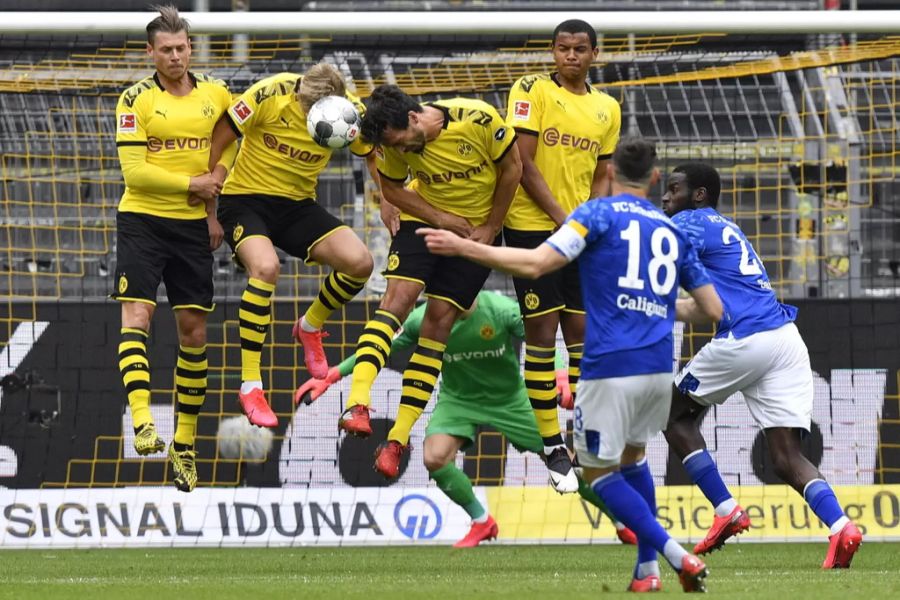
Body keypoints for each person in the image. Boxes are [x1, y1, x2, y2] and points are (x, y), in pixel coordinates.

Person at [418, 137, 723, 592]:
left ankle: (675, 555)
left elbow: (538, 263)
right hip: (660, 368)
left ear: (609, 175)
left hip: (610, 366)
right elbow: (711, 311)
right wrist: (655, 304)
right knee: (634, 461)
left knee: (598, 474)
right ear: (655, 178)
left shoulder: (596, 214)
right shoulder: (671, 230)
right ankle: (647, 571)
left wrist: (466, 250)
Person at [294, 291, 637, 548]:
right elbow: (379, 349)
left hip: (512, 401)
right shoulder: (423, 319)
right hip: (457, 400)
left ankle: (622, 523)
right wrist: (331, 376)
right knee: (433, 457)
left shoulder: (499, 309)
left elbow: (543, 339)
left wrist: (562, 373)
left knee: (568, 466)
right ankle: (481, 520)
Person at [660, 162, 863, 568]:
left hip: (747, 338)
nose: (666, 197)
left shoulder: (690, 222)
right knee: (787, 457)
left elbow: (649, 247)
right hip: (784, 339)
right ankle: (842, 526)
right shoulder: (726, 229)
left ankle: (725, 510)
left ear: (698, 194)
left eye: (674, 188)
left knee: (674, 418)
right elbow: (704, 305)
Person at [340, 85, 522, 464]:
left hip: (474, 234)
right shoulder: (393, 143)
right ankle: (357, 404)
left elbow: (513, 169)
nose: (401, 152)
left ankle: (397, 439)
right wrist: (440, 218)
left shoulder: (479, 119)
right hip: (422, 224)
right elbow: (391, 186)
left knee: (437, 325)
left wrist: (491, 227)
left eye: (402, 143)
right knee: (396, 303)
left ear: (413, 117)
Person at [205, 63, 376, 428]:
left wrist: (389, 202)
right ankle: (251, 385)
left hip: (297, 206)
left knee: (360, 262)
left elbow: (372, 154)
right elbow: (221, 133)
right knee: (266, 268)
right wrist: (209, 207)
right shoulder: (269, 93)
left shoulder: (349, 113)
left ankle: (310, 326)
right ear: (300, 92)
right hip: (245, 201)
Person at [112, 5, 234, 493]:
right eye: (166, 50)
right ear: (150, 53)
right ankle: (142, 420)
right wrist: (195, 182)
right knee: (137, 317)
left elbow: (231, 142)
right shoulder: (133, 100)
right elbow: (135, 173)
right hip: (141, 220)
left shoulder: (215, 93)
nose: (176, 56)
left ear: (191, 46)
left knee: (194, 333)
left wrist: (215, 187)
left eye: (182, 47)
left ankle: (184, 445)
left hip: (191, 229)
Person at [503, 18, 621, 493]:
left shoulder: (606, 107)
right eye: (563, 48)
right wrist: (563, 220)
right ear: (553, 51)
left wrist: (593, 220)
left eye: (580, 49)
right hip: (532, 227)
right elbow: (522, 162)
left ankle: (580, 442)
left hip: (577, 232)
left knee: (582, 336)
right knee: (542, 335)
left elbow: (602, 172)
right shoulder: (530, 90)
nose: (570, 56)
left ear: (595, 53)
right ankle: (552, 447)